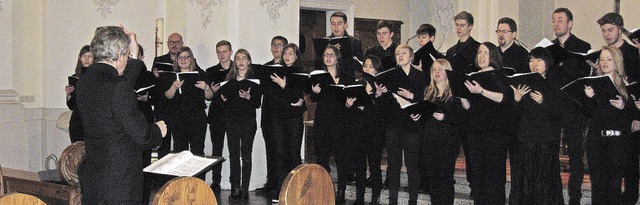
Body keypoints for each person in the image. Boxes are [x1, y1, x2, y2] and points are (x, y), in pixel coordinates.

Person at [76, 25, 167, 204]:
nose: (127, 60)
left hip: (94, 174)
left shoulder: (85, 81)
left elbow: (121, 83)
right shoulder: (118, 88)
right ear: (119, 53)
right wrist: (157, 130)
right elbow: (142, 135)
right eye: (126, 55)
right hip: (119, 180)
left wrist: (132, 56)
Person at [508, 47, 564, 204]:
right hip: (525, 139)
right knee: (524, 179)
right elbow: (515, 116)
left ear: (547, 62)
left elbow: (559, 113)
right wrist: (517, 99)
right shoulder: (524, 82)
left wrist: (543, 102)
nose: (534, 64)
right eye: (531, 60)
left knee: (543, 180)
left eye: (539, 60)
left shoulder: (555, 83)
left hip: (545, 140)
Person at [461, 42, 513, 205]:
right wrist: (462, 96)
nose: (481, 56)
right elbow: (469, 107)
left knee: (493, 177)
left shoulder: (499, 75)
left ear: (493, 56)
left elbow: (504, 98)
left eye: (485, 53)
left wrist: (481, 91)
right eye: (479, 53)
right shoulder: (473, 76)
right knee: (478, 176)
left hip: (494, 134)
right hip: (475, 132)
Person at [596, 13, 640, 204]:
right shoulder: (603, 54)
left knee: (630, 165)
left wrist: (637, 116)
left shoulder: (633, 54)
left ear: (620, 29)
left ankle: (630, 200)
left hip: (630, 114)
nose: (606, 34)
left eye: (610, 30)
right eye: (603, 30)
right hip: (608, 118)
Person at [583, 46, 633, 205]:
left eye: (609, 59)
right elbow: (587, 114)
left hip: (617, 142)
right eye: (602, 59)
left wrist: (624, 106)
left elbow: (634, 116)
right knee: (597, 185)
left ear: (617, 61)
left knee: (614, 186)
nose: (604, 63)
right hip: (596, 140)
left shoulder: (626, 85)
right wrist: (588, 98)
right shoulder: (593, 83)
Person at [377, 45, 427, 205]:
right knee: (393, 164)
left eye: (404, 53)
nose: (400, 55)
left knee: (413, 165)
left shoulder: (421, 76)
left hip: (413, 125)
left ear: (411, 57)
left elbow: (427, 100)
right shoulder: (389, 75)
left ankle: (413, 200)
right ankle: (393, 199)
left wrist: (412, 96)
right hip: (394, 125)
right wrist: (380, 94)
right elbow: (384, 104)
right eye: (397, 53)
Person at [550, 9, 590, 205]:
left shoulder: (582, 46)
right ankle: (554, 194)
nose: (556, 24)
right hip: (553, 108)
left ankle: (575, 196)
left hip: (574, 108)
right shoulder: (548, 47)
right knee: (550, 153)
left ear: (570, 23)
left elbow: (580, 75)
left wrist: (563, 60)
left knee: (575, 154)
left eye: (560, 20)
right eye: (554, 21)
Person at [412, 59, 465, 205]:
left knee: (445, 178)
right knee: (433, 179)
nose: (436, 72)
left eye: (440, 69)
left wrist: (445, 117)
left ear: (447, 72)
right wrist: (417, 116)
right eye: (434, 69)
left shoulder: (455, 92)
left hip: (448, 141)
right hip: (429, 139)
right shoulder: (428, 91)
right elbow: (424, 116)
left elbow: (461, 116)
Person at [310, 45, 355, 203]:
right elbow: (314, 99)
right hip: (322, 121)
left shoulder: (346, 76)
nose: (328, 58)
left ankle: (341, 190)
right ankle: (323, 189)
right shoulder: (318, 76)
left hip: (340, 122)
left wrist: (349, 104)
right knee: (322, 158)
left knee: (341, 158)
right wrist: (314, 92)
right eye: (325, 55)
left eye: (331, 55)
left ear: (337, 58)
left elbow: (351, 99)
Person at [163, 46, 213, 180]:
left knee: (198, 152)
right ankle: (180, 184)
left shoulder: (200, 73)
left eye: (186, 57)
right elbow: (168, 96)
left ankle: (198, 184)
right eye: (180, 58)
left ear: (191, 58)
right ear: (176, 60)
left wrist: (206, 87)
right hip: (178, 117)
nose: (183, 60)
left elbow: (209, 96)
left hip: (197, 117)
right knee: (180, 152)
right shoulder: (172, 75)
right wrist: (174, 86)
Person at [221, 49, 263, 201]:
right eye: (238, 58)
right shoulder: (229, 80)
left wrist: (249, 96)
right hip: (231, 121)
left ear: (249, 61)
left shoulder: (255, 81)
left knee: (246, 156)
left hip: (247, 121)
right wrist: (224, 100)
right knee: (233, 155)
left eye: (244, 58)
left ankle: (244, 188)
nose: (240, 61)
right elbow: (224, 103)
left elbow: (257, 104)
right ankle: (235, 188)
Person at [269, 43, 306, 202]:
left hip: (293, 118)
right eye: (285, 53)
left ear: (296, 56)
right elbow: (274, 97)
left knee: (293, 153)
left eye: (291, 53)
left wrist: (284, 86)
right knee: (279, 154)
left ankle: (296, 191)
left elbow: (297, 98)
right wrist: (292, 97)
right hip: (278, 117)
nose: (287, 56)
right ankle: (280, 191)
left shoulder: (301, 73)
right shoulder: (276, 70)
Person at [351, 55, 386, 205]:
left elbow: (384, 110)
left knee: (374, 166)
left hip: (375, 132)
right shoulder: (357, 84)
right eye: (365, 66)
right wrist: (350, 104)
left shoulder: (382, 86)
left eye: (371, 66)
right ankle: (359, 198)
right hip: (359, 131)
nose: (367, 68)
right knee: (359, 166)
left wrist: (378, 96)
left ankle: (375, 199)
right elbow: (350, 110)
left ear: (377, 69)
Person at [256, 35, 288, 196]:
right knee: (270, 149)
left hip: (282, 116)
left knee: (281, 150)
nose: (276, 48)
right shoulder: (266, 68)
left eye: (280, 45)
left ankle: (281, 185)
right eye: (273, 44)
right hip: (267, 114)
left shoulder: (288, 67)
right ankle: (271, 182)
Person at [205, 40, 233, 196]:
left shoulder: (238, 69)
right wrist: (213, 91)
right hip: (217, 115)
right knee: (217, 150)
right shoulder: (211, 71)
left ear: (230, 52)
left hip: (234, 115)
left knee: (235, 151)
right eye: (219, 52)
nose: (222, 54)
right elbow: (208, 96)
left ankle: (235, 182)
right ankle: (216, 181)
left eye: (225, 51)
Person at [152, 33, 185, 159]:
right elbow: (153, 85)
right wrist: (155, 76)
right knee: (163, 146)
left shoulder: (187, 60)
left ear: (182, 43)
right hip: (163, 107)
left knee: (180, 146)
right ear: (167, 43)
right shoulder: (159, 60)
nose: (174, 45)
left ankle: (179, 178)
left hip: (180, 109)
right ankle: (162, 178)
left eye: (177, 42)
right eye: (171, 42)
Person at [65, 45, 92, 143]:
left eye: (90, 56)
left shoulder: (96, 77)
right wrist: (68, 95)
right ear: (80, 58)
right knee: (77, 153)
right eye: (84, 56)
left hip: (91, 120)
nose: (87, 59)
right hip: (77, 121)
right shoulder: (75, 77)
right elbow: (72, 106)